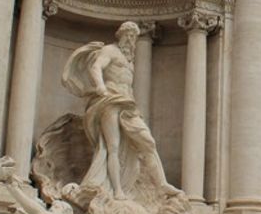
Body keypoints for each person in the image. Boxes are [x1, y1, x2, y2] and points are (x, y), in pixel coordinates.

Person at [62, 21, 177, 201]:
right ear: (120, 35)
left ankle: (161, 184)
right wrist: (100, 86)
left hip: (127, 104)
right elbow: (96, 66)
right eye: (128, 35)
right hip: (110, 100)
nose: (131, 39)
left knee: (148, 142)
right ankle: (117, 191)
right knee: (112, 147)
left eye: (134, 36)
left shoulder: (129, 59)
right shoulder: (110, 50)